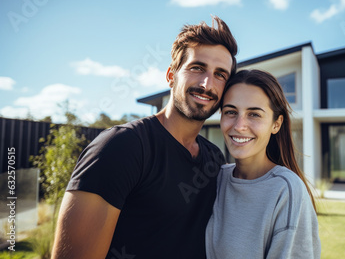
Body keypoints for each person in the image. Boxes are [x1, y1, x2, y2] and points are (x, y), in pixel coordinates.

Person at [51, 16, 238, 259]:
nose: (207, 83)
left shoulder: (215, 158)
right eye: (197, 68)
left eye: (220, 74)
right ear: (171, 75)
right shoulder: (121, 147)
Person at [205, 69, 321, 259]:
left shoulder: (286, 190)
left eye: (254, 115)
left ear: (276, 124)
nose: (239, 125)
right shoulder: (216, 179)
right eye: (231, 112)